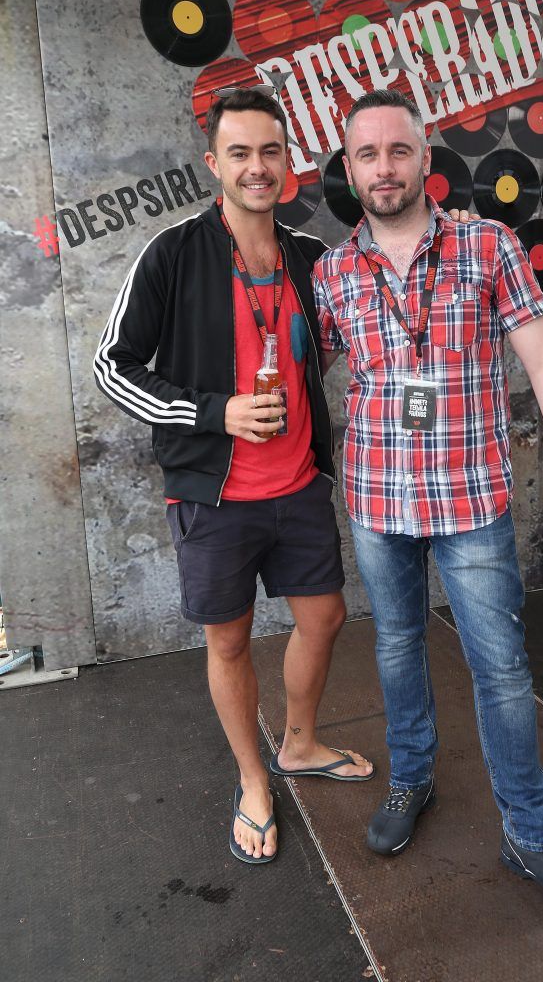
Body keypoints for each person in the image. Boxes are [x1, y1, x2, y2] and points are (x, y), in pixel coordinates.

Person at [313, 89, 543, 930]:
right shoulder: (335, 273)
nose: (384, 167)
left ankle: (531, 835)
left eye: (398, 151)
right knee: (401, 645)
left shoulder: (488, 245)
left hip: (470, 495)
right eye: (367, 155)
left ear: (425, 158)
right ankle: (412, 777)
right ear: (349, 170)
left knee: (503, 670)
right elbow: (302, 378)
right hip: (376, 498)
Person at [94, 86, 375, 866]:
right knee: (229, 643)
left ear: (290, 164)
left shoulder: (310, 258)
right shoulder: (174, 252)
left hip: (298, 487)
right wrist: (213, 413)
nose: (258, 168)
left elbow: (348, 335)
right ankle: (253, 779)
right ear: (216, 163)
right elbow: (110, 369)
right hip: (212, 495)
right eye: (242, 153)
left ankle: (300, 743)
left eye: (272, 152)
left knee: (323, 620)